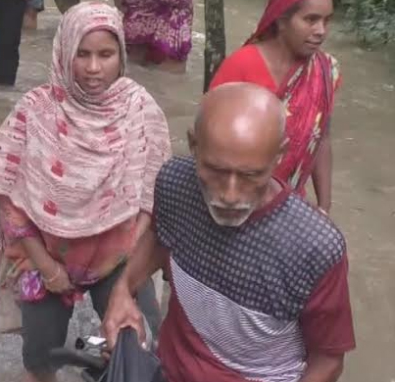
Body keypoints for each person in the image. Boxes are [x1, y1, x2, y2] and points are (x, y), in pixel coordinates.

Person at [0, 3, 171, 382]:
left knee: (140, 351)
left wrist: (128, 260)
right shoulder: (37, 110)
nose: (93, 68)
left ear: (121, 55)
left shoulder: (139, 108)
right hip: (48, 261)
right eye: (83, 55)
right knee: (40, 365)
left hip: (119, 259)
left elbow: (151, 199)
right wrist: (48, 268)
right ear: (64, 54)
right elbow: (12, 202)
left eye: (105, 55)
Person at [102, 83, 355, 382]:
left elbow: (327, 361)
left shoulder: (315, 247)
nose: (231, 195)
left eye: (251, 175)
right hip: (169, 368)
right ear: (194, 146)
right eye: (216, 171)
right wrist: (123, 289)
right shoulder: (174, 183)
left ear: (279, 155)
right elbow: (161, 237)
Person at [208, 0, 340, 214]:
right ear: (281, 21)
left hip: (286, 202)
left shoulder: (325, 71)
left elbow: (322, 139)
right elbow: (210, 140)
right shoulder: (242, 66)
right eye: (310, 20)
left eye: (326, 20)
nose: (321, 30)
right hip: (233, 198)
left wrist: (323, 208)